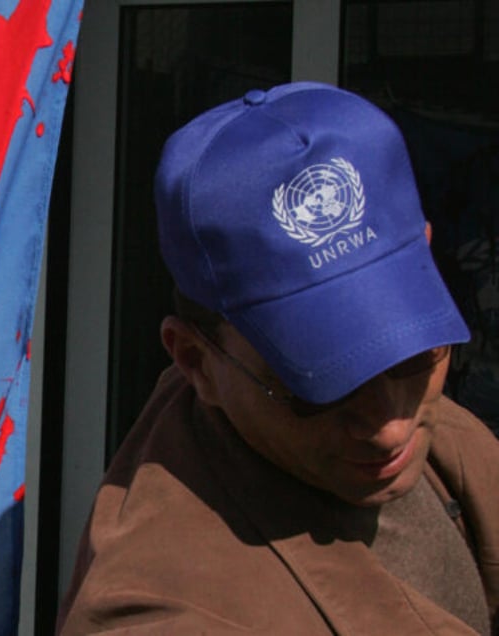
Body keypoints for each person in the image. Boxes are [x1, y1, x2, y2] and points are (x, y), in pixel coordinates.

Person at [56, 82, 499, 635]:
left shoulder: (437, 446)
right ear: (196, 360)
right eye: (323, 384)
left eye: (408, 349)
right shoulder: (162, 611)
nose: (389, 426)